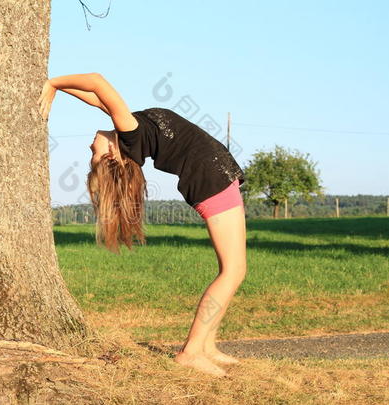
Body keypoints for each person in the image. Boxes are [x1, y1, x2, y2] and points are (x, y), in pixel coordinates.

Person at [38, 73, 247, 377]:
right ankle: (191, 352)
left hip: (215, 176)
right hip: (211, 180)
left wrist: (53, 85)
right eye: (93, 155)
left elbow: (98, 99)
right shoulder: (130, 136)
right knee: (233, 270)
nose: (89, 147)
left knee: (233, 269)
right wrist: (54, 84)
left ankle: (207, 346)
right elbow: (98, 82)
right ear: (113, 156)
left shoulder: (128, 131)